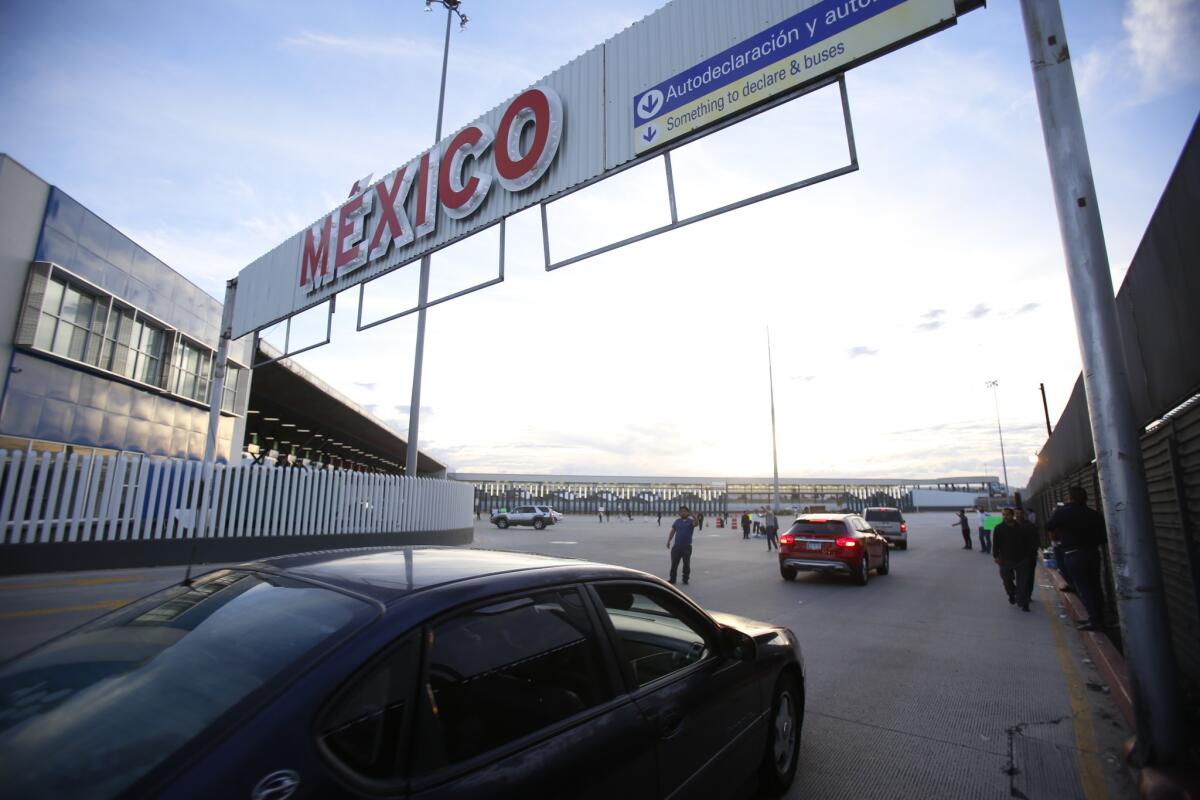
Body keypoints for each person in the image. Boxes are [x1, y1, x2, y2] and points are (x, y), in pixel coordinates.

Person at [1047, 486, 1107, 631]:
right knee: (1095, 586)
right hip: (1092, 553)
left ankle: (1094, 621)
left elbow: (1049, 526)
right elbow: (1103, 537)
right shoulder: (1094, 514)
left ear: (1070, 497)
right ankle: (1100, 617)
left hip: (1074, 554)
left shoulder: (1062, 512)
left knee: (1084, 588)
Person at [992, 508, 1038, 611]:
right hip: (1005, 559)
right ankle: (1012, 594)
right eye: (1003, 515)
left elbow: (1029, 543)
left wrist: (1029, 556)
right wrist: (996, 556)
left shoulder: (1022, 528)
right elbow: (996, 544)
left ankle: (1024, 603)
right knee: (1007, 580)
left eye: (1007, 515)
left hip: (1022, 559)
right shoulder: (999, 528)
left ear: (1012, 515)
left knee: (1023, 582)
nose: (1005, 517)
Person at [666, 505, 696, 585]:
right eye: (681, 511)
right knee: (674, 564)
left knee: (686, 564)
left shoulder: (690, 521)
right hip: (676, 547)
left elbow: (696, 524)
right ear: (679, 513)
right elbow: (672, 531)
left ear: (688, 512)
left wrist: (694, 516)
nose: (683, 513)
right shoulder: (677, 521)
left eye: (685, 511)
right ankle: (672, 579)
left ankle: (685, 579)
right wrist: (669, 541)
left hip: (687, 547)